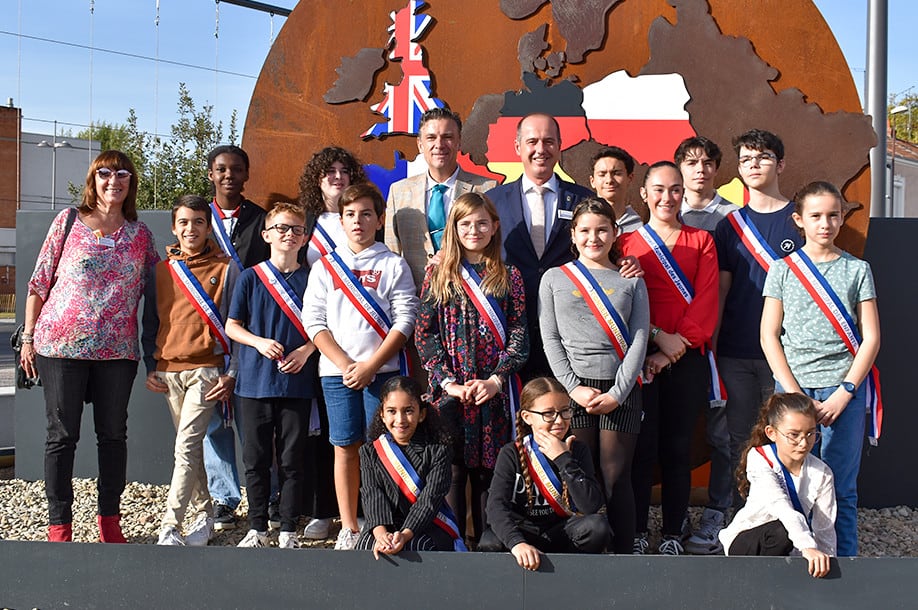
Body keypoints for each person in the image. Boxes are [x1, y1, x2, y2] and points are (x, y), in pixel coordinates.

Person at [21, 150, 159, 543]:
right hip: (61, 347)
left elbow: (163, 284)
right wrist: (29, 338)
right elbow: (38, 284)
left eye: (122, 174)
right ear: (92, 179)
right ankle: (59, 525)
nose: (113, 180)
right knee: (62, 436)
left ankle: (109, 522)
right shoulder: (67, 222)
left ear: (130, 183)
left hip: (117, 352)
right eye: (104, 173)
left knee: (113, 435)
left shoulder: (141, 234)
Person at [761, 181, 881, 557]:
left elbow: (872, 338)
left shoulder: (858, 269)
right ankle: (797, 559)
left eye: (833, 215)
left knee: (840, 486)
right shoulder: (782, 270)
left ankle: (844, 566)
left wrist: (845, 391)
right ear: (799, 220)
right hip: (792, 394)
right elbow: (769, 336)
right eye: (815, 216)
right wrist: (793, 393)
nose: (825, 223)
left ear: (843, 218)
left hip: (841, 393)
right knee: (790, 484)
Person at [303, 183, 419, 550]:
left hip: (383, 376)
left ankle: (381, 522)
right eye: (350, 215)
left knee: (382, 448)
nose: (358, 221)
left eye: (366, 214)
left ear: (379, 219)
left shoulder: (393, 265)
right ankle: (350, 526)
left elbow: (405, 319)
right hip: (337, 375)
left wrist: (371, 365)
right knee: (344, 447)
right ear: (340, 220)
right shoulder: (324, 267)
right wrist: (345, 364)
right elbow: (314, 322)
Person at [415, 192, 529, 543]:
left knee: (487, 472)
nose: (474, 229)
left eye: (482, 222)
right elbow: (424, 333)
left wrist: (497, 379)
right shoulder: (438, 274)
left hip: (492, 392)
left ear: (495, 227)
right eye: (465, 223)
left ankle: (488, 543)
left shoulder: (509, 275)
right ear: (453, 228)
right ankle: (452, 545)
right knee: (451, 468)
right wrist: (447, 382)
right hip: (451, 392)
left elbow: (519, 333)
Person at [539, 197, 649, 553]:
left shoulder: (632, 280)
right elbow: (550, 337)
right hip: (575, 392)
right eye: (585, 230)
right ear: (573, 234)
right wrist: (572, 388)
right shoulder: (554, 278)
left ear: (615, 233)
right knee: (579, 476)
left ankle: (624, 555)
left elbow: (640, 338)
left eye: (602, 230)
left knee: (617, 477)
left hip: (622, 390)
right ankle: (582, 550)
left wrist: (619, 391)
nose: (594, 237)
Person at [621, 161, 718, 555]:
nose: (667, 197)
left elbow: (709, 299)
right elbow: (621, 303)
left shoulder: (702, 241)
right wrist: (656, 344)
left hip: (685, 358)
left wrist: (675, 348)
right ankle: (640, 529)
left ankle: (675, 531)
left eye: (675, 189)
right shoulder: (625, 244)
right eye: (658, 189)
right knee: (642, 449)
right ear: (643, 193)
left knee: (679, 447)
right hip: (641, 357)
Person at [714, 129, 803, 513]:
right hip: (735, 353)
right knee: (738, 441)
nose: (754, 165)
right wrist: (713, 351)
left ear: (780, 164)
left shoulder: (800, 221)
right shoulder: (728, 226)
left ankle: (783, 518)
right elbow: (721, 294)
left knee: (785, 438)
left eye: (763, 157)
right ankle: (739, 516)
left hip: (784, 355)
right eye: (746, 159)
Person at [144, 195, 239, 546]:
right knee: (190, 447)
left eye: (198, 221)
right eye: (183, 222)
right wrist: (149, 364)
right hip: (169, 372)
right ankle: (205, 514)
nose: (190, 229)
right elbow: (150, 321)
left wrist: (233, 374)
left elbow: (236, 322)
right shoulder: (160, 270)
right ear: (173, 227)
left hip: (207, 370)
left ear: (208, 225)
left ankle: (170, 525)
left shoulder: (227, 267)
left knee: (185, 447)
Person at [226, 202, 319, 549]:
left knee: (294, 460)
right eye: (281, 228)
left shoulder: (312, 279)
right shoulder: (251, 277)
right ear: (266, 234)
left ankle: (288, 530)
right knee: (256, 459)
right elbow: (232, 326)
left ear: (305, 237)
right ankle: (257, 527)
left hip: (297, 382)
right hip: (254, 383)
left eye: (295, 229)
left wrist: (306, 350)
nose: (288, 234)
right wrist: (259, 342)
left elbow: (326, 327)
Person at [486, 113, 595, 380]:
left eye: (548, 141)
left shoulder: (583, 199)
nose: (540, 149)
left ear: (559, 146)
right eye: (532, 141)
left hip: (568, 332)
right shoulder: (492, 201)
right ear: (518, 147)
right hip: (510, 332)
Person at [297, 146, 369, 539]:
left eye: (344, 171)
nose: (337, 177)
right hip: (315, 336)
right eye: (329, 172)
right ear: (317, 178)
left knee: (354, 432)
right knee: (321, 429)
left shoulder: (365, 219)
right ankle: (323, 509)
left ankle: (363, 514)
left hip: (361, 339)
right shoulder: (304, 222)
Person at [203, 144, 272, 532]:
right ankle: (224, 497)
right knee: (215, 421)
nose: (229, 175)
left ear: (246, 175)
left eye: (236, 169)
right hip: (207, 328)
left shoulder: (261, 219)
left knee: (253, 422)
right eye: (221, 169)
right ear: (211, 174)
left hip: (248, 328)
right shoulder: (199, 217)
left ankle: (267, 492)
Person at [674, 136, 737, 554]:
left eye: (707, 162)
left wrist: (708, 335)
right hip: (668, 345)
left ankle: (721, 510)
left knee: (723, 433)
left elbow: (728, 283)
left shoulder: (732, 219)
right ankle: (668, 517)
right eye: (691, 162)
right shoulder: (661, 212)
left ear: (717, 168)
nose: (700, 169)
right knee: (672, 433)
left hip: (718, 344)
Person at [479, 377, 610, 570]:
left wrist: (563, 459)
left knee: (597, 528)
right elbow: (496, 507)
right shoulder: (512, 452)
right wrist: (517, 543)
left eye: (565, 411)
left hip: (564, 531)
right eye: (548, 414)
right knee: (490, 541)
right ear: (527, 417)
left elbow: (591, 506)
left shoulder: (578, 449)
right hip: (525, 532)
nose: (559, 420)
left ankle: (571, 576)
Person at [719, 393, 835, 578]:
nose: (803, 443)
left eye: (811, 433)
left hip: (794, 545)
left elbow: (825, 527)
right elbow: (780, 505)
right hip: (748, 542)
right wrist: (808, 546)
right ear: (771, 433)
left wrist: (826, 562)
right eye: (793, 435)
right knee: (781, 531)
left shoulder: (823, 473)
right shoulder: (759, 458)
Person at [385, 107, 497, 288]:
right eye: (431, 138)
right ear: (420, 144)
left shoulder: (487, 188)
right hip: (417, 299)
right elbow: (392, 253)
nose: (439, 144)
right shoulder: (399, 192)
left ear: (459, 142)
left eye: (447, 137)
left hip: (472, 297)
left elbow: (495, 248)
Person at [357, 376, 463, 556]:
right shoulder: (370, 451)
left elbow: (430, 500)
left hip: (428, 525)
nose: (400, 419)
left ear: (421, 414)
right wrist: (381, 534)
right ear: (382, 414)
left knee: (415, 549)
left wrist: (405, 535)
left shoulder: (439, 452)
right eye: (391, 411)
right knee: (367, 547)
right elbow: (371, 493)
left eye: (408, 411)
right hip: (384, 523)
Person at [588, 146, 643, 234]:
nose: (609, 180)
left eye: (616, 173)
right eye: (602, 174)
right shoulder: (582, 224)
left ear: (630, 178)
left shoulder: (641, 228)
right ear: (592, 181)